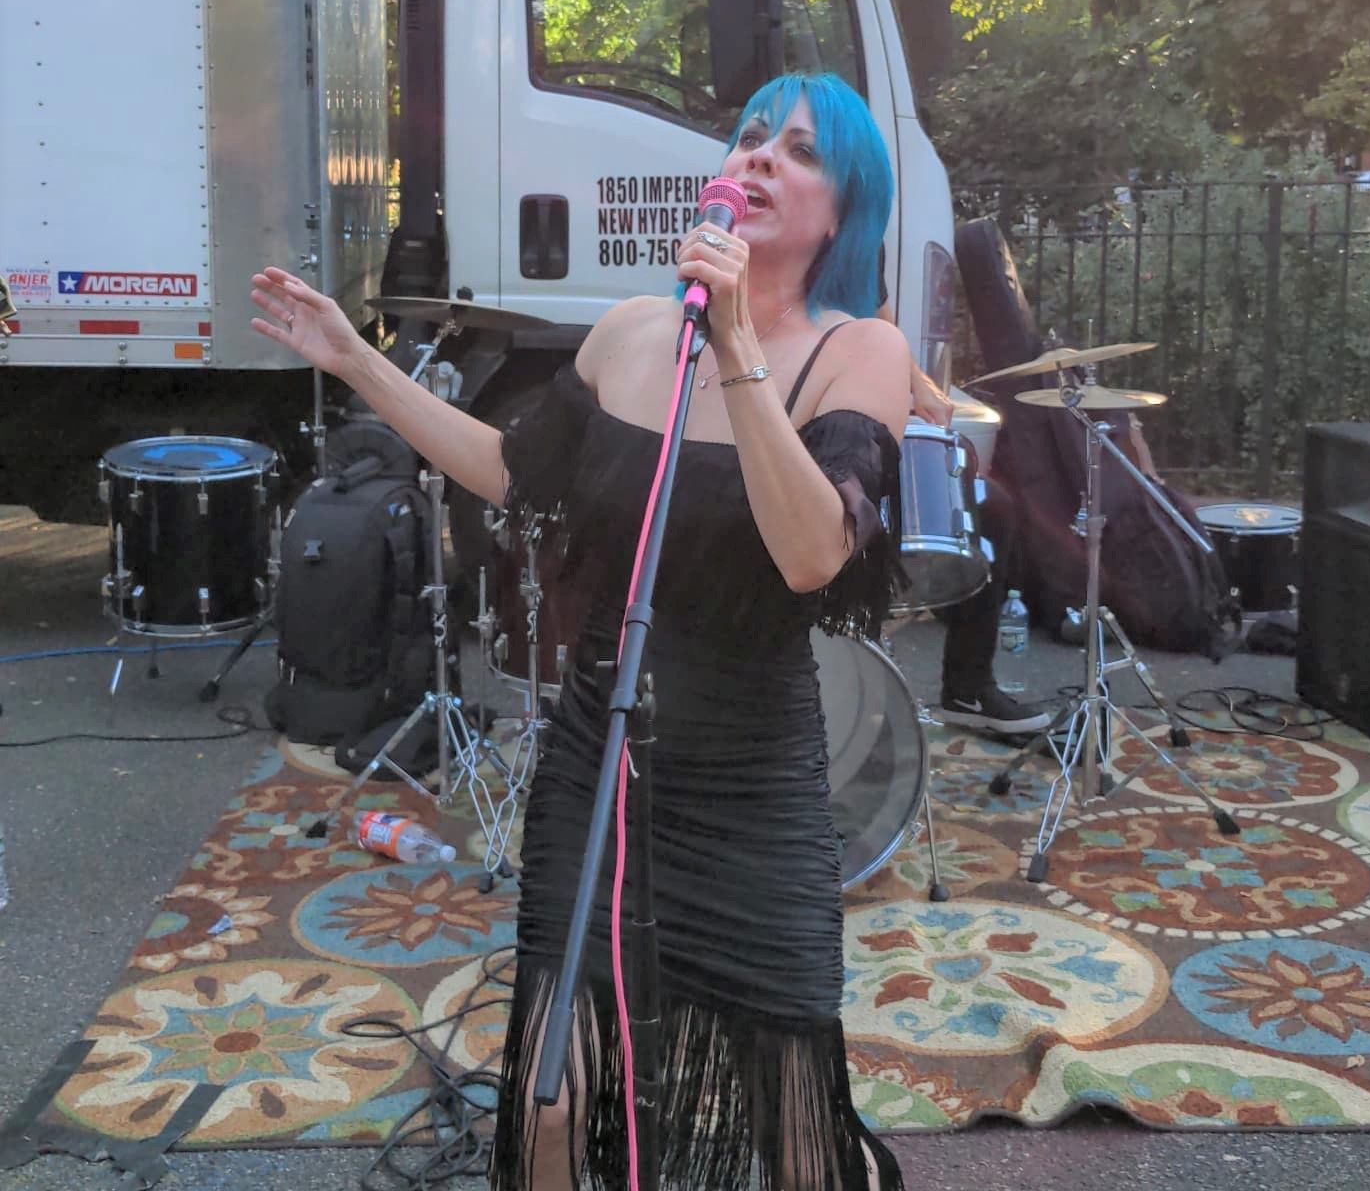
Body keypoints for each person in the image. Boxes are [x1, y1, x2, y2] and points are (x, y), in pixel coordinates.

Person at [251, 71, 910, 1191]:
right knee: (551, 1102)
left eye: (800, 150)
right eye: (751, 136)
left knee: (798, 1134)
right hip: (597, 761)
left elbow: (812, 554)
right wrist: (357, 358)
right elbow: (511, 472)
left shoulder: (859, 352)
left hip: (750, 781)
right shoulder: (629, 334)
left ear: (846, 207)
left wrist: (738, 345)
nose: (759, 156)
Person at [873, 268, 1052, 737]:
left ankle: (968, 689)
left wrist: (918, 382)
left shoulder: (860, 241)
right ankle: (851, 692)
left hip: (866, 421)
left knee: (992, 510)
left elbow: (883, 329)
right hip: (803, 432)